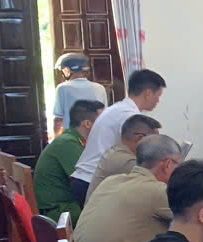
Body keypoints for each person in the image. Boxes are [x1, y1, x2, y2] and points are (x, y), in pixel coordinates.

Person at [73, 134, 182, 242]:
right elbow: (199, 218)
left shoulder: (110, 181)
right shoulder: (156, 192)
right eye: (179, 166)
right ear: (168, 165)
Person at [70, 68, 165, 206]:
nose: (158, 101)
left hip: (86, 178)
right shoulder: (128, 115)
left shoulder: (119, 109)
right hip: (92, 180)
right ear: (148, 94)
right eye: (158, 95)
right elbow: (142, 151)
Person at [33, 98, 103, 223]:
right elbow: (89, 182)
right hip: (60, 212)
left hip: (66, 206)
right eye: (102, 121)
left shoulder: (72, 139)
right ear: (88, 124)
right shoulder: (67, 143)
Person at [86, 113, 163, 200]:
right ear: (140, 139)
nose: (158, 146)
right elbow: (162, 181)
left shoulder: (117, 151)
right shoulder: (126, 161)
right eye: (155, 141)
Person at [51, 53, 107, 135]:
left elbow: (58, 120)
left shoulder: (62, 88)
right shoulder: (100, 88)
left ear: (67, 71)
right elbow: (104, 117)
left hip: (72, 138)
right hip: (95, 137)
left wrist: (56, 139)